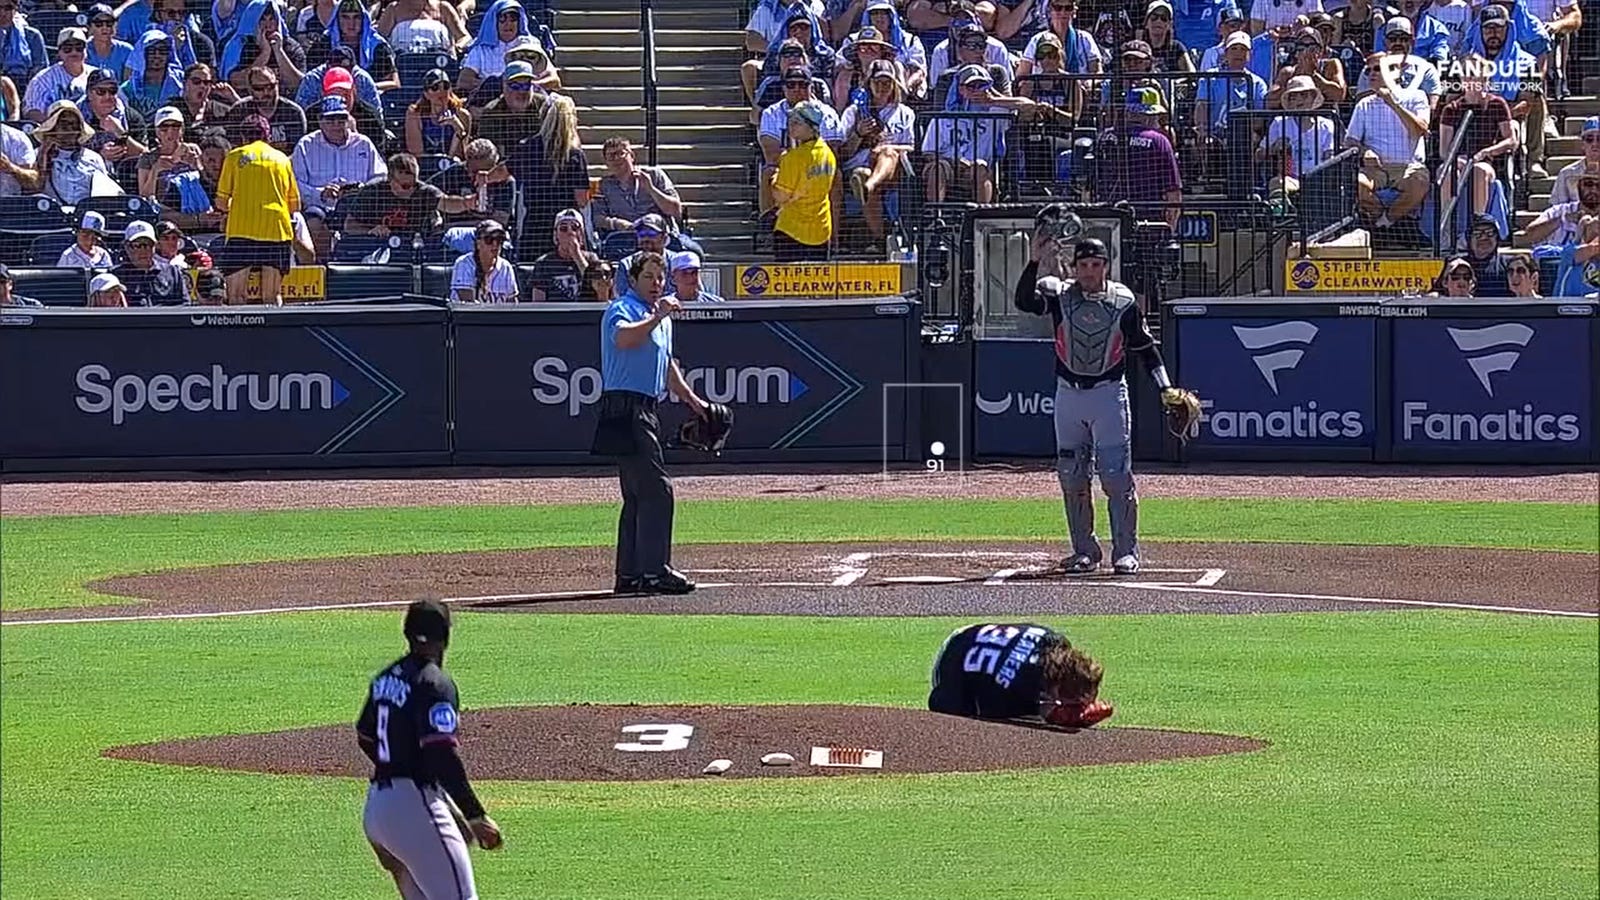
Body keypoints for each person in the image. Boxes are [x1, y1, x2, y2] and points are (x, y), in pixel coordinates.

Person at [1013, 221, 1186, 575]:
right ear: (1074, 268)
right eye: (1084, 265)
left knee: (1115, 475)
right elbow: (1024, 301)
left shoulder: (1122, 302)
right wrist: (1034, 261)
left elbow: (1144, 348)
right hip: (1069, 394)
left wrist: (1166, 387)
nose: (1089, 272)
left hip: (1108, 394)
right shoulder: (1061, 297)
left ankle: (1126, 551)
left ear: (1105, 266)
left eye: (1096, 265)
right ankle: (1084, 550)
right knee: (1072, 474)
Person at [356, 599, 503, 900]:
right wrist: (475, 814)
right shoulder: (435, 683)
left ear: (407, 633)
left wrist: (400, 768)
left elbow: (365, 735)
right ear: (444, 637)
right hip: (415, 806)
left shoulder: (385, 679)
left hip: (378, 811)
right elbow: (441, 755)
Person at [593, 250, 712, 596]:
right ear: (632, 280)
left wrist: (695, 402)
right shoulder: (622, 308)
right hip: (623, 407)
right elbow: (624, 338)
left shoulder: (662, 317)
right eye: (649, 277)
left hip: (645, 407)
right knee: (658, 490)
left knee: (637, 495)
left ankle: (629, 574)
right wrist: (657, 317)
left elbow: (667, 366)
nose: (656, 284)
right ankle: (655, 570)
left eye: (660, 278)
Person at [927, 622, 1113, 727]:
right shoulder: (1010, 693)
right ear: (1052, 694)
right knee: (957, 715)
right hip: (951, 663)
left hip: (971, 630)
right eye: (1075, 707)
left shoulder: (1056, 641)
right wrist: (1076, 721)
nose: (1080, 710)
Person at [213, 113, 300, 304]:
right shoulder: (283, 160)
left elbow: (220, 202)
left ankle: (241, 333)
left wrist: (235, 207)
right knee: (273, 295)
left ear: (243, 137)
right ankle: (273, 333)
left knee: (236, 295)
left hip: (242, 230)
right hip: (277, 230)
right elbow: (294, 205)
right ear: (268, 137)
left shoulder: (235, 156)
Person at [771, 99, 837, 261]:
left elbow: (780, 196)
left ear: (812, 127)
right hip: (821, 230)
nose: (791, 125)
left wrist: (774, 177)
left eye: (797, 122)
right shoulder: (828, 154)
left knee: (787, 285)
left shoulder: (794, 158)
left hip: (791, 231)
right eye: (791, 121)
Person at [528, 207, 600, 302]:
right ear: (556, 236)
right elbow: (537, 303)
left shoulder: (591, 259)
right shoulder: (543, 263)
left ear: (581, 236)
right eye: (563, 228)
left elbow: (599, 289)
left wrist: (577, 256)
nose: (570, 232)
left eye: (575, 228)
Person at [450, 219, 519, 303]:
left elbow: (512, 302)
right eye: (489, 239)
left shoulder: (506, 267)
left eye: (499, 239)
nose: (495, 244)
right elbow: (468, 305)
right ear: (478, 243)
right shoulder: (464, 264)